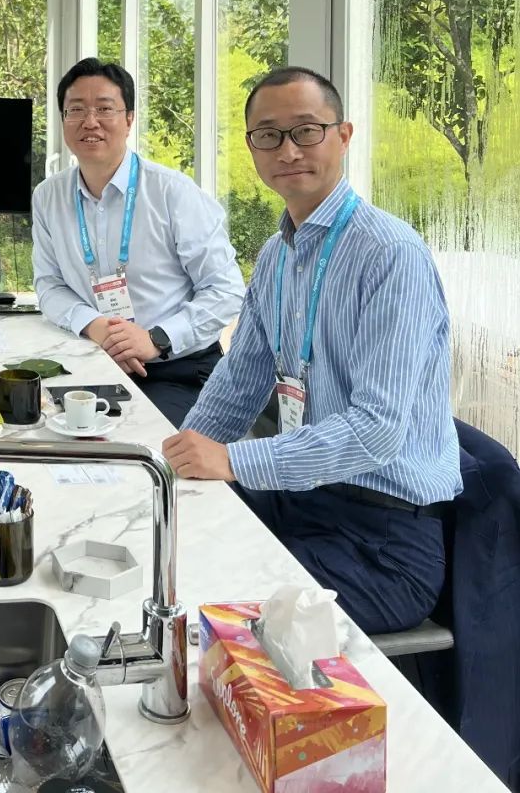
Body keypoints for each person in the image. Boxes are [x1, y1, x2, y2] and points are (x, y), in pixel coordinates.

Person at [163, 66, 463, 636]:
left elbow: (376, 430)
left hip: (382, 543)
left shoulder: (390, 254)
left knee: (204, 608)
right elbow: (238, 383)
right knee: (163, 547)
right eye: (268, 134)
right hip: (300, 499)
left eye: (306, 130)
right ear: (252, 147)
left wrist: (232, 462)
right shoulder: (276, 256)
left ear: (343, 136)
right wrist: (179, 459)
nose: (288, 150)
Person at [32, 58, 244, 426]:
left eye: (104, 109)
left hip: (177, 369)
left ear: (129, 119)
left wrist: (156, 339)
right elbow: (49, 284)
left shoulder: (172, 193)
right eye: (76, 110)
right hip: (94, 359)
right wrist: (95, 326)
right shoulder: (48, 196)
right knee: (36, 430)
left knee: (145, 449)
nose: (90, 121)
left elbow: (226, 290)